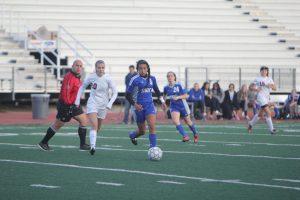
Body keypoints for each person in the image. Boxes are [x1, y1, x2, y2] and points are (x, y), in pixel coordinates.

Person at [38, 60, 90, 151]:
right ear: (72, 66)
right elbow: (65, 93)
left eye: (80, 66)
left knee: (84, 120)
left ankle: (83, 144)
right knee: (58, 125)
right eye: (77, 65)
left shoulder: (77, 76)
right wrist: (69, 105)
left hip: (74, 105)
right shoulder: (69, 77)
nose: (79, 68)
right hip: (66, 105)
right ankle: (43, 142)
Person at [75, 60, 118, 155]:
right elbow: (82, 87)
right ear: (96, 68)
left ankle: (92, 141)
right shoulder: (91, 77)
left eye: (102, 68)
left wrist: (110, 103)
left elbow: (115, 92)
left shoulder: (108, 78)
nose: (101, 69)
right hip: (92, 103)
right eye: (99, 67)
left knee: (98, 127)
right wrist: (77, 100)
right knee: (94, 125)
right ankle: (93, 147)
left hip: (103, 105)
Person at [126, 60, 167, 148]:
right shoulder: (134, 79)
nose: (143, 70)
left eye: (144, 68)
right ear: (137, 69)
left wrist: (162, 102)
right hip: (139, 108)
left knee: (152, 126)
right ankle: (133, 135)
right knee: (142, 131)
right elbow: (127, 94)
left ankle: (153, 148)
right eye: (140, 68)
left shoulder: (152, 78)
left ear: (147, 68)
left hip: (149, 106)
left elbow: (157, 90)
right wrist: (135, 104)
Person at [164, 72, 199, 143]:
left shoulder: (179, 85)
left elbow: (186, 96)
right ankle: (185, 136)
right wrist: (164, 102)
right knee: (175, 121)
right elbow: (164, 96)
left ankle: (195, 134)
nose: (170, 77)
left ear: (174, 77)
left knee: (188, 122)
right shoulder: (166, 87)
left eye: (171, 76)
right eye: (168, 76)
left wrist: (178, 97)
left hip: (182, 105)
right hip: (174, 106)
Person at [248, 66, 276, 134]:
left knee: (260, 114)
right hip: (260, 96)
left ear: (267, 72)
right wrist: (256, 89)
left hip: (266, 97)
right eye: (262, 71)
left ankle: (250, 124)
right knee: (268, 112)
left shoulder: (269, 79)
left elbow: (275, 88)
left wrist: (271, 86)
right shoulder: (257, 79)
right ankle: (272, 129)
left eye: (265, 71)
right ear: (260, 72)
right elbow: (250, 87)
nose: (264, 72)